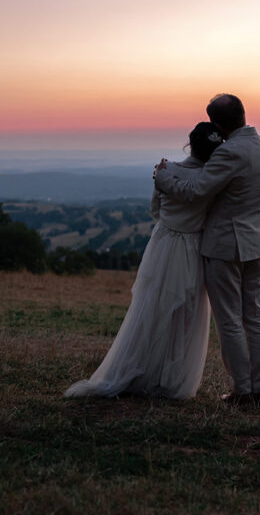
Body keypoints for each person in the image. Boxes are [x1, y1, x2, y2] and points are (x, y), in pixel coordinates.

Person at [65, 122, 224, 400]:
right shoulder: (212, 178)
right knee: (186, 312)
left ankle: (138, 368)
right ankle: (172, 378)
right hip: (192, 248)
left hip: (163, 244)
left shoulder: (166, 170)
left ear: (190, 143)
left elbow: (155, 210)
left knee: (151, 307)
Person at [153, 93, 260, 408]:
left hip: (225, 244)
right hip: (257, 241)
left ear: (218, 124)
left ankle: (242, 391)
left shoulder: (229, 153)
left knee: (230, 319)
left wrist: (162, 179)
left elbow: (195, 192)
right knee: (257, 315)